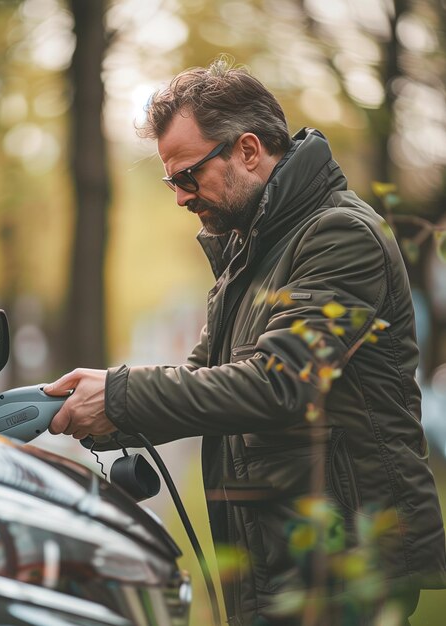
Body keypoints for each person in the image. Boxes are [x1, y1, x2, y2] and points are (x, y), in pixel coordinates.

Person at [44, 58, 446, 625]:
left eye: (189, 176)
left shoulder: (339, 235)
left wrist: (119, 395)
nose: (181, 197)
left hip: (342, 567)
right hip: (281, 558)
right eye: (170, 182)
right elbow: (205, 380)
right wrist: (85, 409)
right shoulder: (250, 253)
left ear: (249, 151)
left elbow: (278, 383)